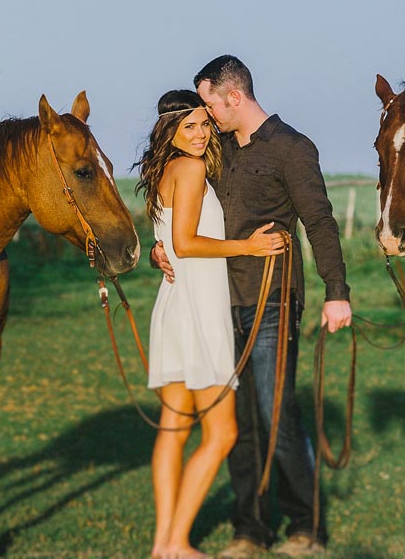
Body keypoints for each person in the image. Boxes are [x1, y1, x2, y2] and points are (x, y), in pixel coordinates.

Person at [152, 56, 351, 558]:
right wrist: (162, 248)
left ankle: (306, 526)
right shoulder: (212, 148)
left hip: (273, 299)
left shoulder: (292, 148)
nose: (207, 114)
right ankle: (250, 529)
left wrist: (337, 292)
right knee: (237, 423)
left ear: (233, 97)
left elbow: (320, 222)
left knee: (277, 413)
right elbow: (184, 213)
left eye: (211, 103)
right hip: (217, 302)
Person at [136, 89, 286, 559]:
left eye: (204, 124)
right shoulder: (193, 167)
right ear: (171, 132)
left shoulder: (164, 171)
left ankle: (163, 543)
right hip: (199, 308)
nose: (201, 134)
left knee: (173, 430)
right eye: (190, 127)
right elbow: (183, 241)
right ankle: (176, 542)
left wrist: (160, 250)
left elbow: (166, 241)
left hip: (174, 303)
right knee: (221, 433)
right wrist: (248, 247)